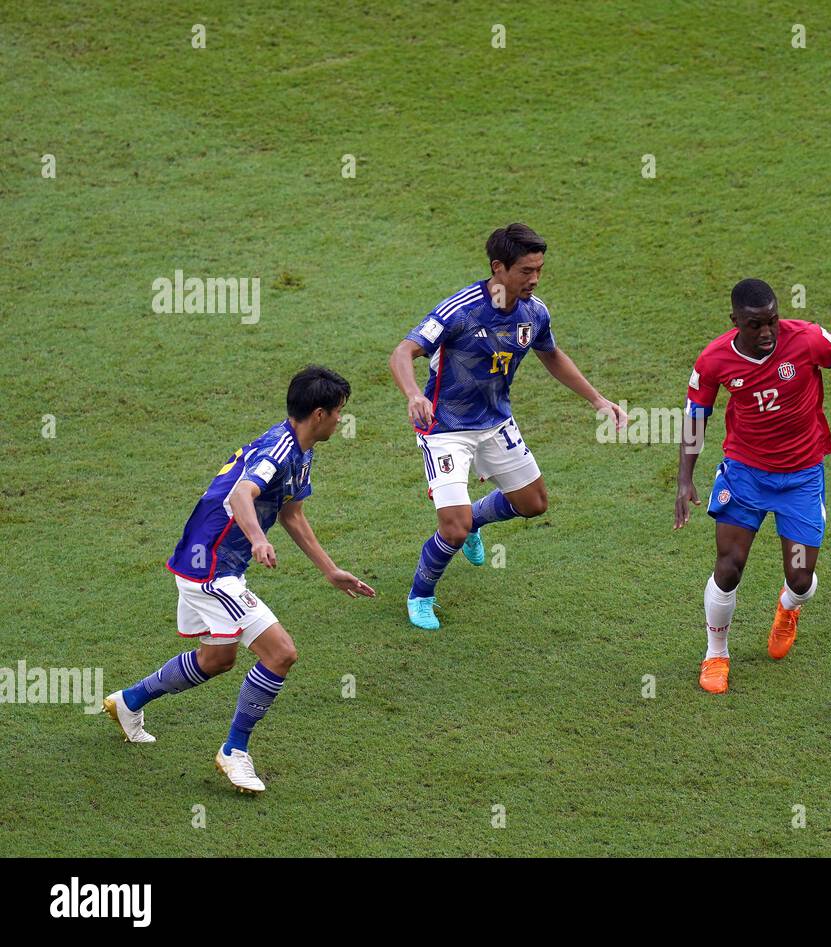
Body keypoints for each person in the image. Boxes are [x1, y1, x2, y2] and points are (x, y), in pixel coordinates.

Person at [103, 366, 375, 793]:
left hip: (212, 563)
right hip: (211, 568)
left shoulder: (300, 451)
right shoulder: (280, 450)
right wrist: (256, 539)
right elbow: (240, 494)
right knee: (281, 653)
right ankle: (234, 751)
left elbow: (291, 513)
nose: (342, 420)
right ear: (320, 413)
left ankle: (129, 701)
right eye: (340, 412)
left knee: (217, 660)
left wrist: (330, 570)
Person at [674, 279, 831, 694]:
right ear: (735, 321)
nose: (767, 333)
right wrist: (685, 477)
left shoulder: (808, 339)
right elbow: (695, 413)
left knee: (799, 577)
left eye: (772, 321)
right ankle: (716, 654)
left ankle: (788, 609)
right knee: (729, 565)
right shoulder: (714, 359)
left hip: (801, 478)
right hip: (745, 475)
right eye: (755, 325)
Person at [388, 223, 626, 630]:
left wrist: (597, 399)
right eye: (525, 271)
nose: (534, 279)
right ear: (498, 268)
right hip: (445, 428)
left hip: (496, 422)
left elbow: (551, 355)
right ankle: (421, 594)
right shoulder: (458, 311)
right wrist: (414, 394)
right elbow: (403, 351)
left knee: (534, 504)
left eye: (539, 270)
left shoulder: (535, 312)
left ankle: (477, 518)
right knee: (454, 527)